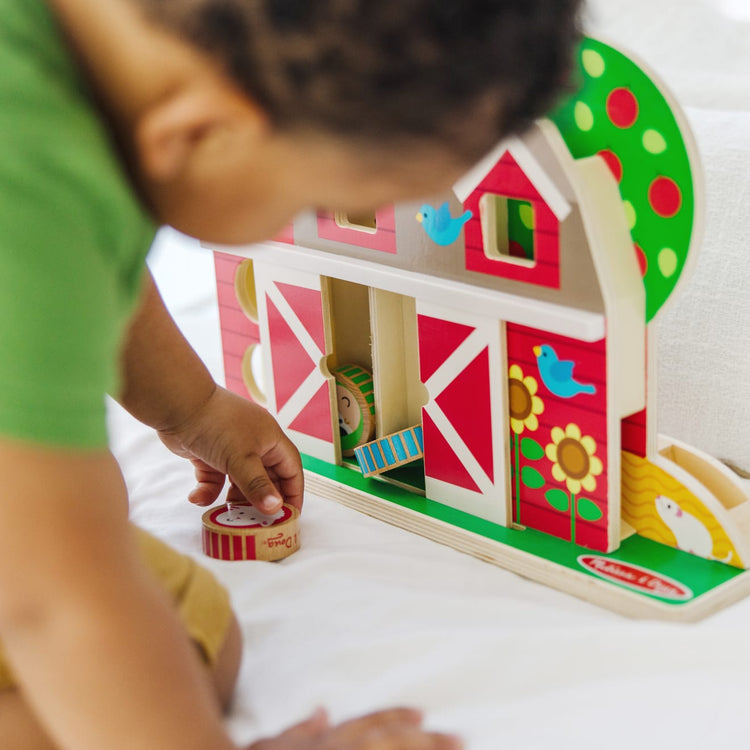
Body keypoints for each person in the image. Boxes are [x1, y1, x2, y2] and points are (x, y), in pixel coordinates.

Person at [0, 0, 581, 748]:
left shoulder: (95, 73)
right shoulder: (27, 185)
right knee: (111, 662)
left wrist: (195, 407)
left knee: (191, 631)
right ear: (202, 133)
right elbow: (53, 602)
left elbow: (89, 271)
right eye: (318, 202)